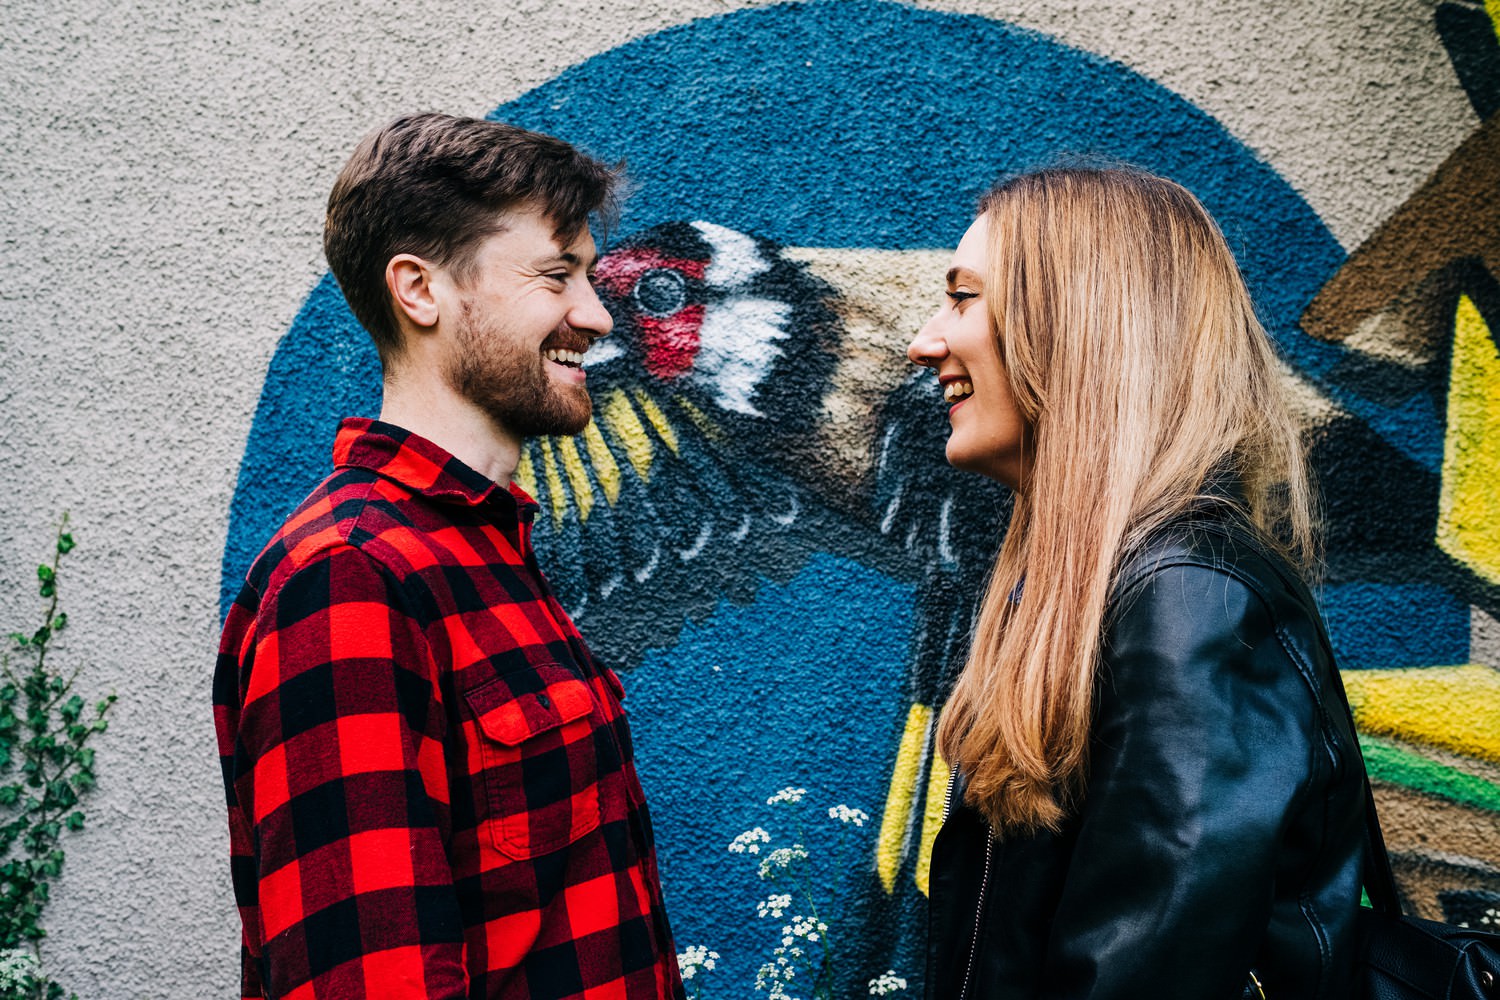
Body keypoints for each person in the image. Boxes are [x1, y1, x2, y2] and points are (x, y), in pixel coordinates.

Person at [214, 113, 684, 1000]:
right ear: (420, 291)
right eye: (557, 276)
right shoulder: (348, 578)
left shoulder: (480, 549)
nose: (594, 312)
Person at [909, 167, 1366, 1000]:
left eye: (963, 299)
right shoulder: (1129, 589)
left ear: (1075, 331)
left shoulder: (1190, 600)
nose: (925, 340)